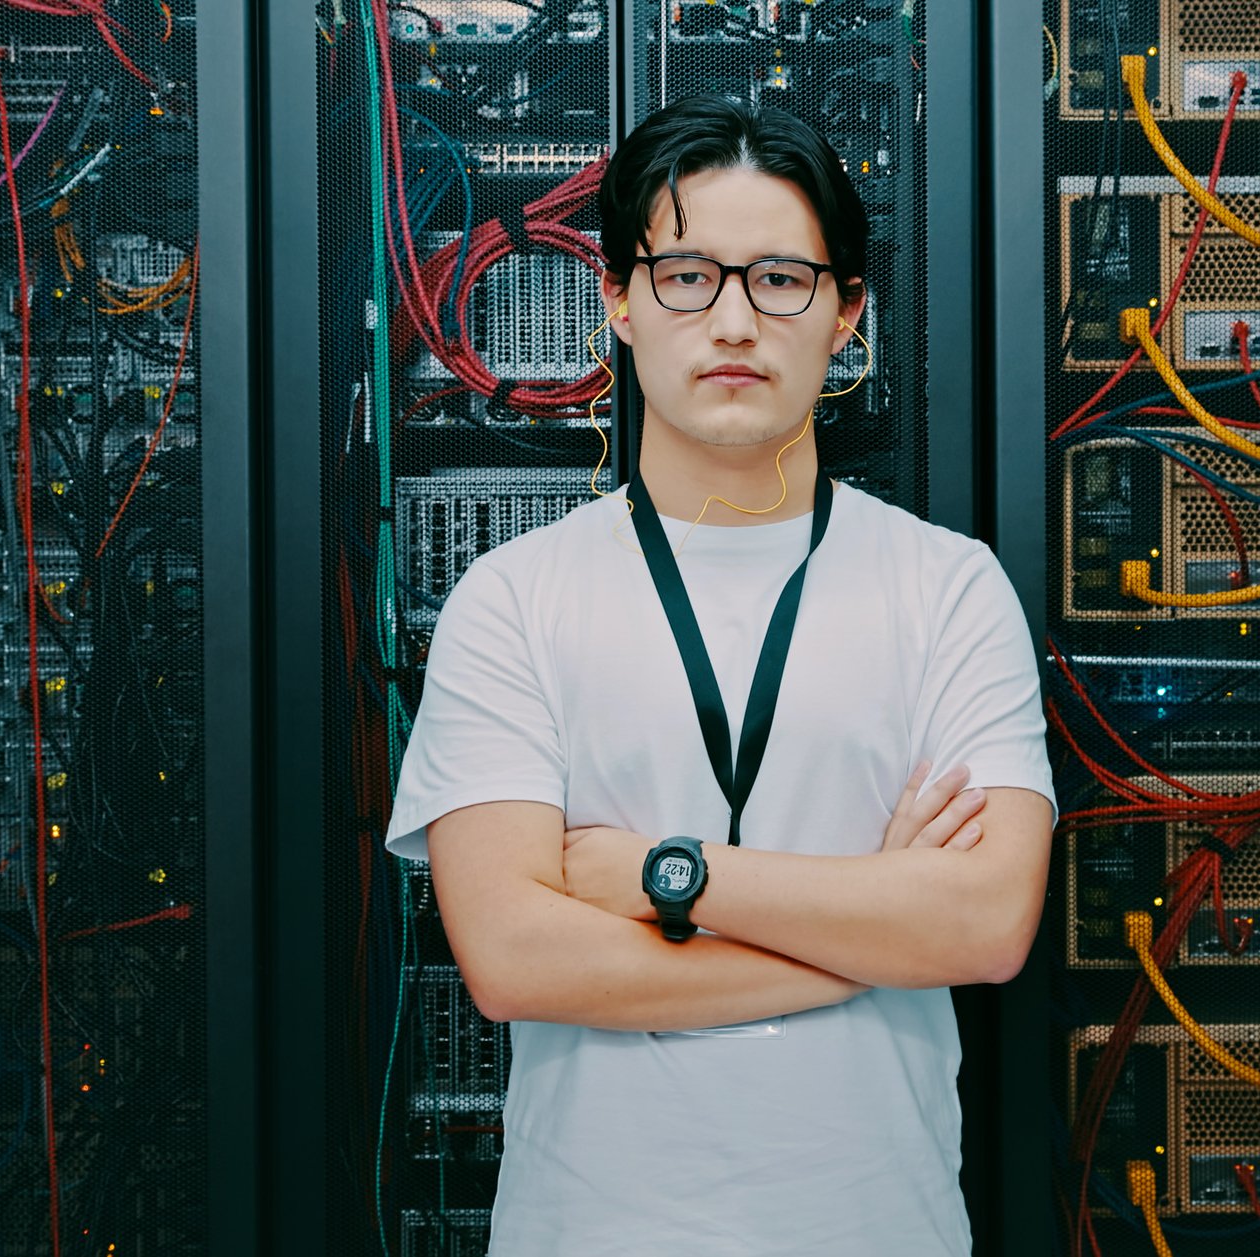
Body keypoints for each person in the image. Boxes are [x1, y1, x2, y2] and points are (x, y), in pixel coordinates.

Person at [383, 93, 1056, 1256]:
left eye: (780, 279)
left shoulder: (945, 591)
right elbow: (508, 959)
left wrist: (656, 876)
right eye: (687, 274)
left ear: (847, 311)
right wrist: (864, 941)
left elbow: (987, 925)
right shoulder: (512, 600)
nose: (734, 320)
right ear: (619, 299)